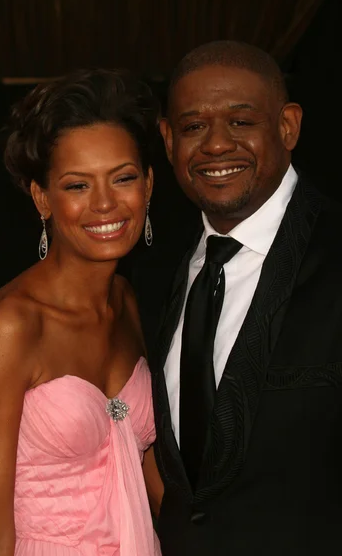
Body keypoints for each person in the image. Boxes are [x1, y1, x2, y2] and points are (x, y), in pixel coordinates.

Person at [132, 40, 342, 555]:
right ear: (167, 138)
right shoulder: (153, 275)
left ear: (288, 126)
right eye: (193, 126)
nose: (216, 145)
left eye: (241, 122)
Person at [0, 69, 163, 556]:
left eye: (124, 178)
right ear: (41, 198)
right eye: (77, 186)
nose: (105, 203)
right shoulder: (10, 325)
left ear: (149, 185)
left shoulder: (126, 302)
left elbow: (152, 480)